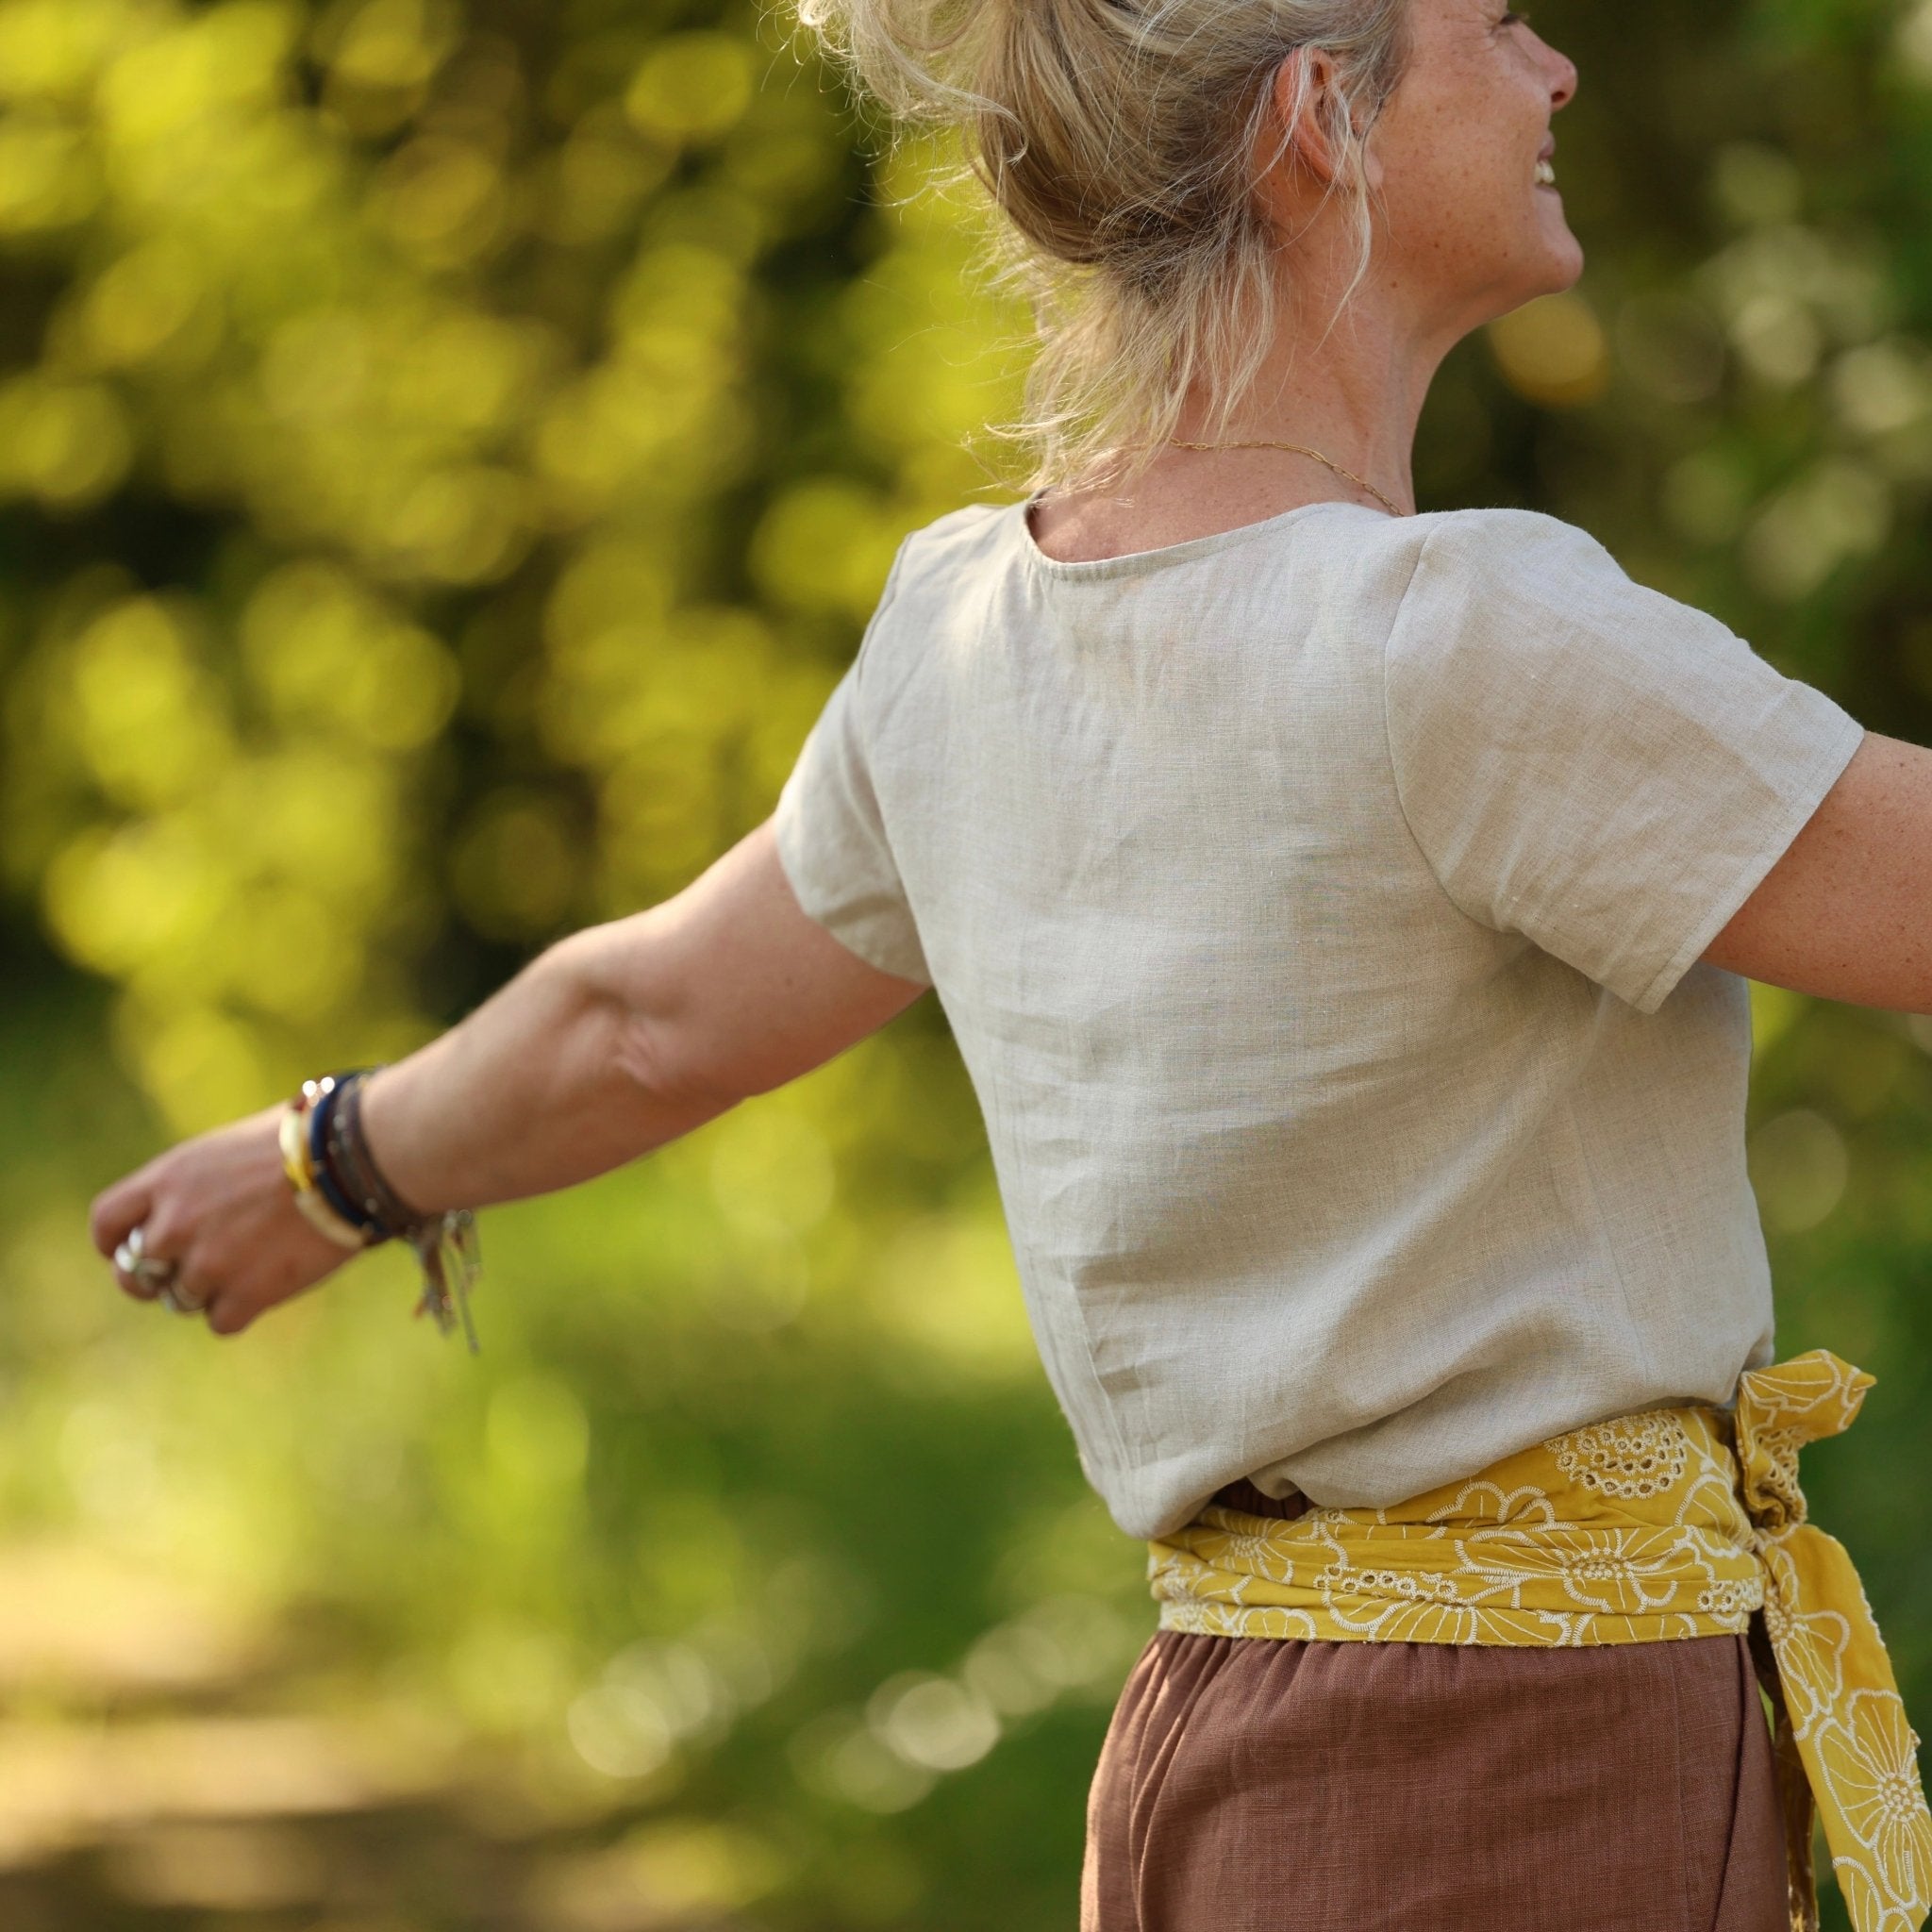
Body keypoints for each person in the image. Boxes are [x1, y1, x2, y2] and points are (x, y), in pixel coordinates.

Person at [89, 1, 1932, 1927]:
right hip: (1529, 1765)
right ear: (1322, 117)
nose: (1557, 69)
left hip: (1217, 1744)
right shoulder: (1459, 632)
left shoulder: (967, 633)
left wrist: (331, 1162)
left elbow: (644, 1022)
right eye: (1497, 21)